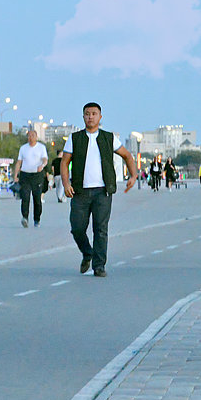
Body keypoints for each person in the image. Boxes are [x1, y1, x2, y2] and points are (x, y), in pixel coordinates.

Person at [60, 102, 138, 277]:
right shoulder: (75, 138)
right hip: (79, 192)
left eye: (94, 114)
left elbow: (127, 155)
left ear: (100, 117)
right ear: (83, 117)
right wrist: (66, 184)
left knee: (100, 229)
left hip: (103, 192)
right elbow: (64, 162)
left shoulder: (108, 138)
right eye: (87, 114)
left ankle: (99, 265)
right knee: (77, 228)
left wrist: (133, 176)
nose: (90, 117)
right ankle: (88, 253)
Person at [14, 129, 49, 227]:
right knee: (25, 197)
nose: (31, 137)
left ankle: (36, 219)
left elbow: (45, 159)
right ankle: (25, 217)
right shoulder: (23, 148)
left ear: (36, 137)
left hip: (37, 176)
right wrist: (16, 175)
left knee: (37, 199)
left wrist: (42, 165)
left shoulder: (41, 147)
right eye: (29, 136)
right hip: (25, 175)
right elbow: (19, 162)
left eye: (33, 135)